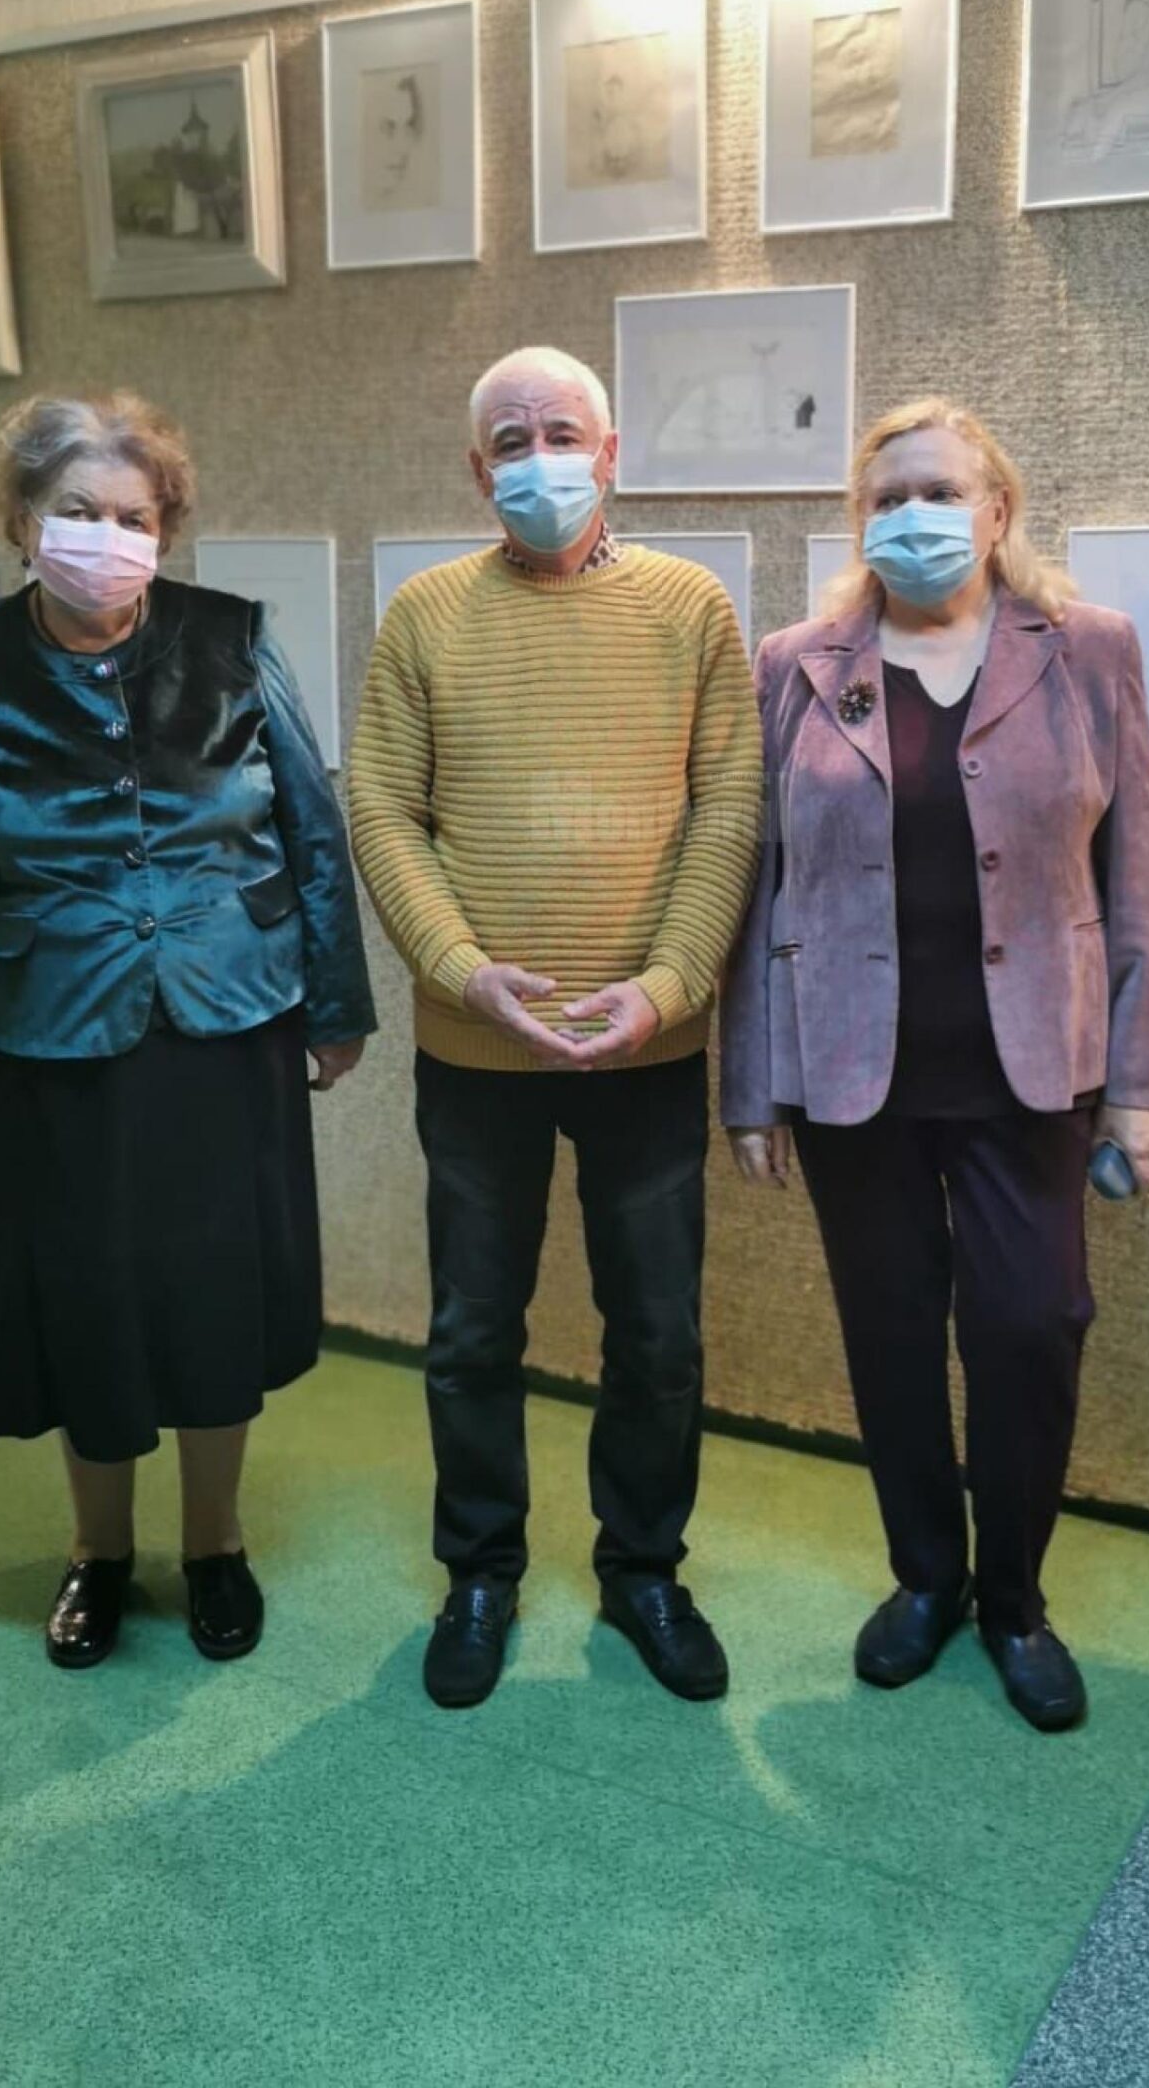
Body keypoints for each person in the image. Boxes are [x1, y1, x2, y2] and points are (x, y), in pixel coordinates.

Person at [0, 393, 375, 1671]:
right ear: (20, 521)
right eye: (77, 510)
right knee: (85, 1295)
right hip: (58, 1032)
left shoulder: (234, 639)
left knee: (213, 1293)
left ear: (167, 528)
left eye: (134, 516)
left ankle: (215, 1543)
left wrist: (334, 1004)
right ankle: (98, 1551)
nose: (108, 536)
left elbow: (312, 828)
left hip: (228, 1019)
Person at [721, 398, 1149, 1732]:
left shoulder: (1087, 650)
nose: (912, 517)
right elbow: (759, 885)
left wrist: (1143, 1083)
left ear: (997, 510)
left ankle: (1014, 1600)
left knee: (1032, 1327)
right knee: (890, 1333)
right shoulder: (798, 664)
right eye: (886, 498)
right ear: (858, 522)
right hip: (852, 1072)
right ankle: (925, 1577)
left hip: (1031, 1068)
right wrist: (750, 1086)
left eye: (939, 491)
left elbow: (1139, 873)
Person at [347, 346, 760, 1709]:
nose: (541, 461)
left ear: (612, 451)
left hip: (648, 1047)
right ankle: (480, 1572)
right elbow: (382, 808)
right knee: (474, 1327)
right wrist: (462, 970)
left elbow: (729, 806)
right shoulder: (425, 613)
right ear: (478, 471)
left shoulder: (691, 608)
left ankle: (643, 1569)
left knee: (658, 1332)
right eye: (512, 441)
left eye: (563, 433)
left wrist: (671, 979)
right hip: (478, 1048)